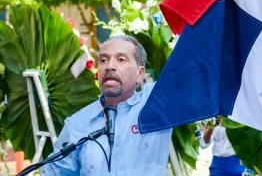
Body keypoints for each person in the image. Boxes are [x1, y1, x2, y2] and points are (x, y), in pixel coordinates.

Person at [42, 35, 172, 176]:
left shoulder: (156, 102)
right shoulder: (77, 124)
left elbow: (190, 68)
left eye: (121, 59)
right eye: (103, 60)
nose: (109, 66)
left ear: (140, 73)